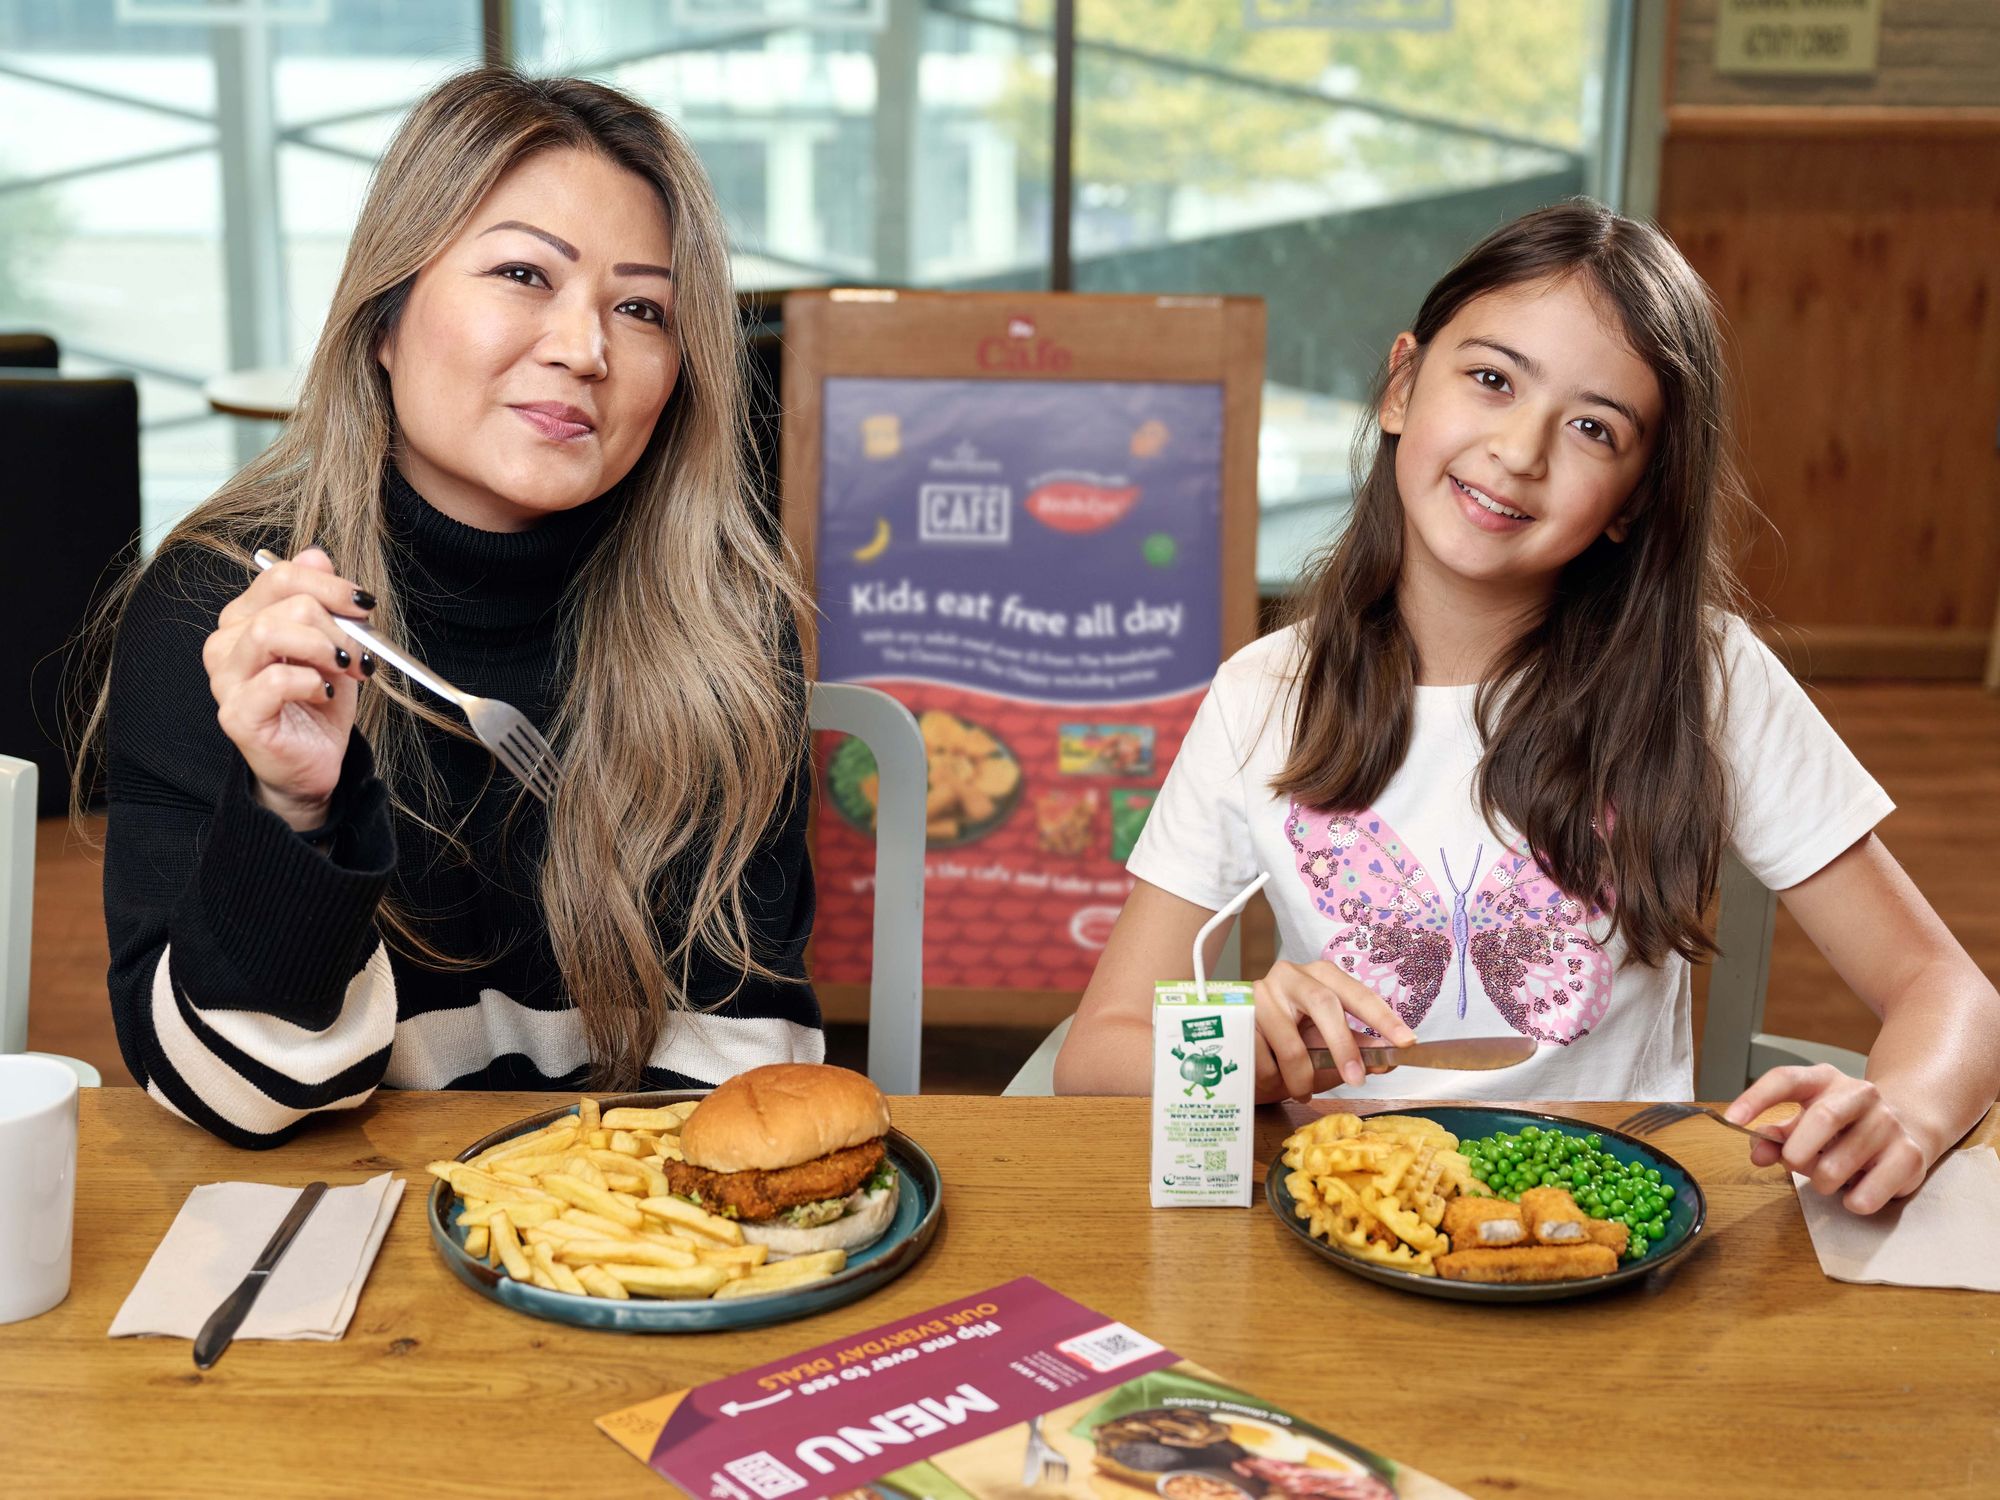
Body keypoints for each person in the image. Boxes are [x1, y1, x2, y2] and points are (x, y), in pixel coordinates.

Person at [1055, 200, 2000, 1215]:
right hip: (1343, 1221)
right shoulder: (1262, 694)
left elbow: (1946, 993)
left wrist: (1899, 1111)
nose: (1518, 449)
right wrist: (1234, 1048)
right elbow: (1097, 1053)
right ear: (1402, 385)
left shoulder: (1702, 674)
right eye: (1491, 380)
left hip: (1607, 1222)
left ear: (1635, 498)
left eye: (1593, 427)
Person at [76, 69, 819, 1148]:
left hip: (639, 1249)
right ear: (385, 319)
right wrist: (292, 812)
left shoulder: (720, 627)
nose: (584, 348)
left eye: (641, 307)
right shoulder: (230, 613)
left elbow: (741, 1057)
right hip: (335, 1219)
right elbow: (234, 1102)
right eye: (524, 272)